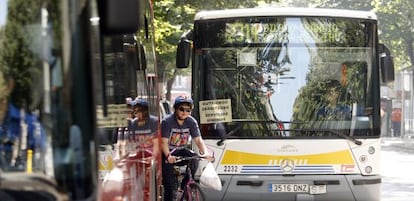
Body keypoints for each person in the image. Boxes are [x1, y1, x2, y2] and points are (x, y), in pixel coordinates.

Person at [161, 95, 213, 201]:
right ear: (175, 109)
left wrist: (205, 153)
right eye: (181, 109)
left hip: (181, 150)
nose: (184, 112)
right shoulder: (167, 122)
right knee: (169, 186)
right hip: (168, 152)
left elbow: (198, 140)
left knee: (194, 158)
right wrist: (168, 156)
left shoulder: (191, 122)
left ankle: (187, 184)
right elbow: (163, 142)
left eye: (188, 110)